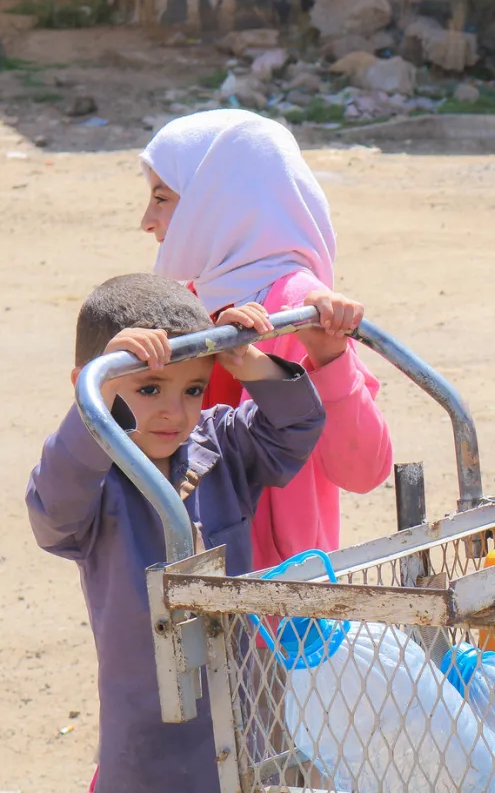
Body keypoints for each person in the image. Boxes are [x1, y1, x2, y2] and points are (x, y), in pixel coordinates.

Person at [25, 273, 341, 793]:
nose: (176, 411)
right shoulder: (93, 474)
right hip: (150, 739)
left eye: (193, 387)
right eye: (148, 389)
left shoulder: (220, 442)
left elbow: (295, 433)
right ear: (90, 385)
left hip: (247, 714)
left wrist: (249, 362)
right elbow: (51, 514)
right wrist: (93, 408)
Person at [138, 109, 393, 569]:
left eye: (162, 198)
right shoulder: (193, 301)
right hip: (202, 579)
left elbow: (362, 470)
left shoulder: (298, 307)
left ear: (214, 201)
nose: (147, 220)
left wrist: (330, 357)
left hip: (278, 604)